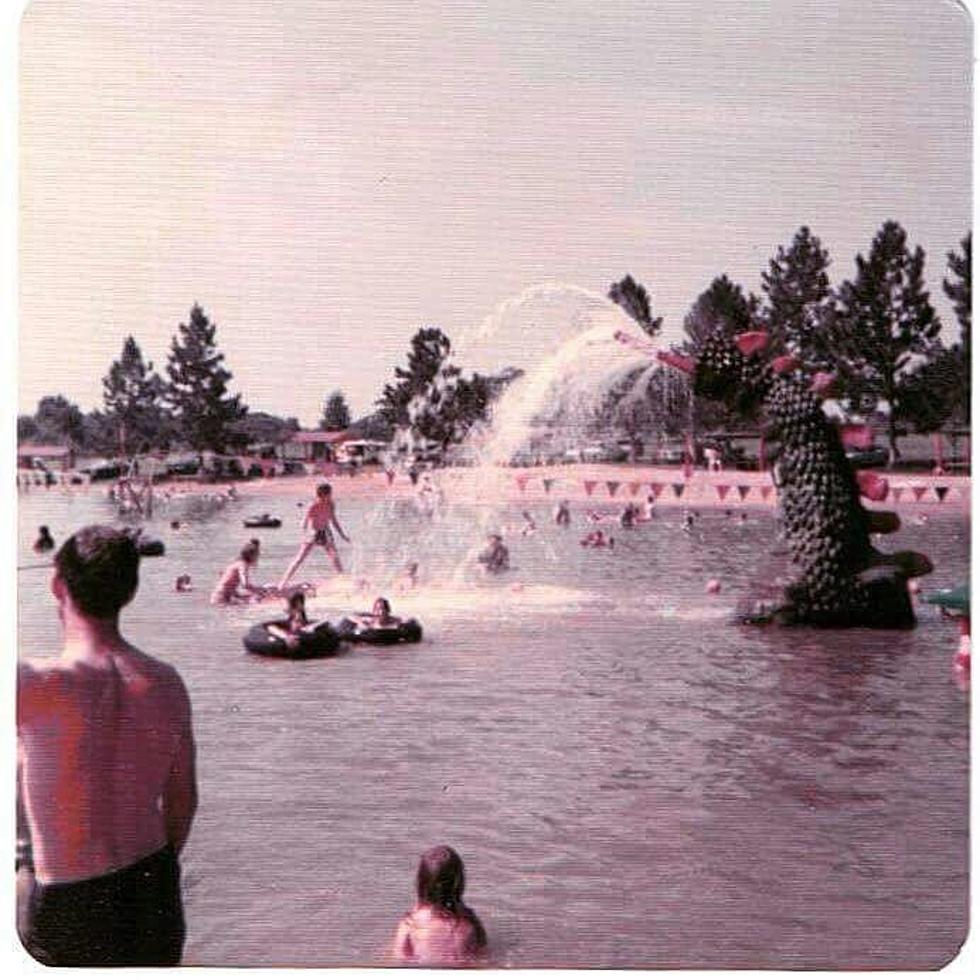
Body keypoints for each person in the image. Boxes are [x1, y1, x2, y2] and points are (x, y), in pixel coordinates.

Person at [17, 525, 197, 966]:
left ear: (57, 585)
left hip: (71, 898)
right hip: (152, 886)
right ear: (130, 591)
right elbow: (183, 802)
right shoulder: (167, 682)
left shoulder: (33, 683)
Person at [392, 845, 486, 966]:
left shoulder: (411, 923)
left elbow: (400, 958)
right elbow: (483, 953)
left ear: (421, 883)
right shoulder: (471, 922)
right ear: (459, 884)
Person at [278, 483, 350, 589]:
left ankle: (344, 580)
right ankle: (283, 583)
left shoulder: (331, 504)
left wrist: (342, 535)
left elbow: (334, 521)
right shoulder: (313, 505)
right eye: (329, 493)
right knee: (300, 558)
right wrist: (305, 533)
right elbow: (305, 521)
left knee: (335, 557)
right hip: (313, 532)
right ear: (323, 494)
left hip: (325, 531)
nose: (331, 495)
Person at [210, 539, 263, 605]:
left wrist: (239, 595)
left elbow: (223, 577)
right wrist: (261, 591)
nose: (258, 558)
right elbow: (245, 585)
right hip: (221, 598)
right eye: (257, 555)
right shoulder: (243, 565)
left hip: (218, 596)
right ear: (251, 556)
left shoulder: (237, 563)